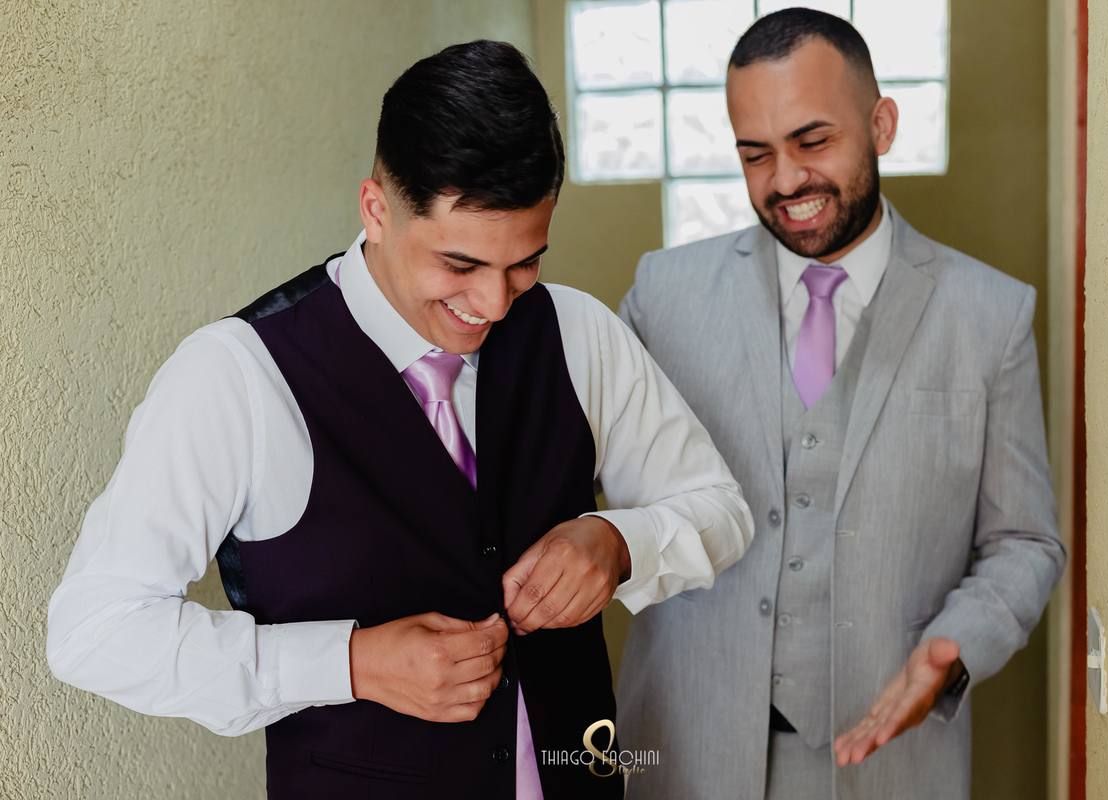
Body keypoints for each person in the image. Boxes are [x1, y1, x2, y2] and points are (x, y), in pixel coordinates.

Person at [46, 40, 752, 800]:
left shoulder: (578, 333)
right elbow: (95, 630)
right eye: (460, 265)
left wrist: (619, 543)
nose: (494, 304)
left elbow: (721, 510)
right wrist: (351, 664)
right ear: (376, 210)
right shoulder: (236, 376)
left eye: (524, 262)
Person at [615, 9, 1065, 800]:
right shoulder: (662, 295)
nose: (786, 181)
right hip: (686, 752)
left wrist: (958, 645)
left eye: (812, 141)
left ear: (881, 125)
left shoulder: (990, 315)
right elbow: (579, 477)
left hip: (894, 763)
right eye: (756, 154)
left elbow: (1024, 541)